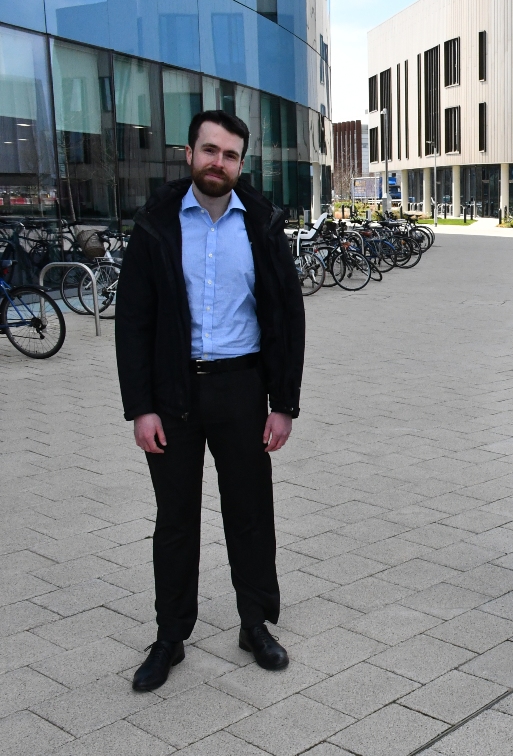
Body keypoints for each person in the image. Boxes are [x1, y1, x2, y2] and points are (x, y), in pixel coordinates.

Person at [116, 110, 305, 692]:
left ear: (241, 163)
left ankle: (255, 624)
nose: (217, 162)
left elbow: (286, 317)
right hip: (173, 392)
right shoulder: (157, 224)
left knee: (250, 513)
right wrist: (140, 407)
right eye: (208, 150)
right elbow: (133, 322)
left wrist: (283, 404)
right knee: (175, 519)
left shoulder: (263, 225)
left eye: (229, 154)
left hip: (243, 389)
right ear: (189, 153)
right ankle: (170, 636)